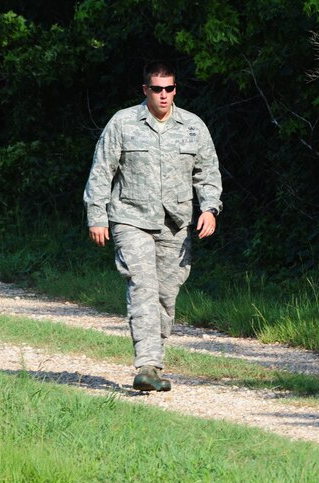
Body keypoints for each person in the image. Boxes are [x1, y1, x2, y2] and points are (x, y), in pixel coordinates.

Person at [84, 61, 222, 392]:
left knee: (166, 295)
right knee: (142, 285)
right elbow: (102, 170)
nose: (163, 95)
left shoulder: (193, 127)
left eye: (169, 89)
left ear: (176, 90)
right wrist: (96, 215)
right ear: (145, 90)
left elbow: (207, 172)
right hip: (130, 218)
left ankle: (154, 367)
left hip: (175, 224)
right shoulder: (123, 123)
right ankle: (146, 364)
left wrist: (210, 209)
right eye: (157, 89)